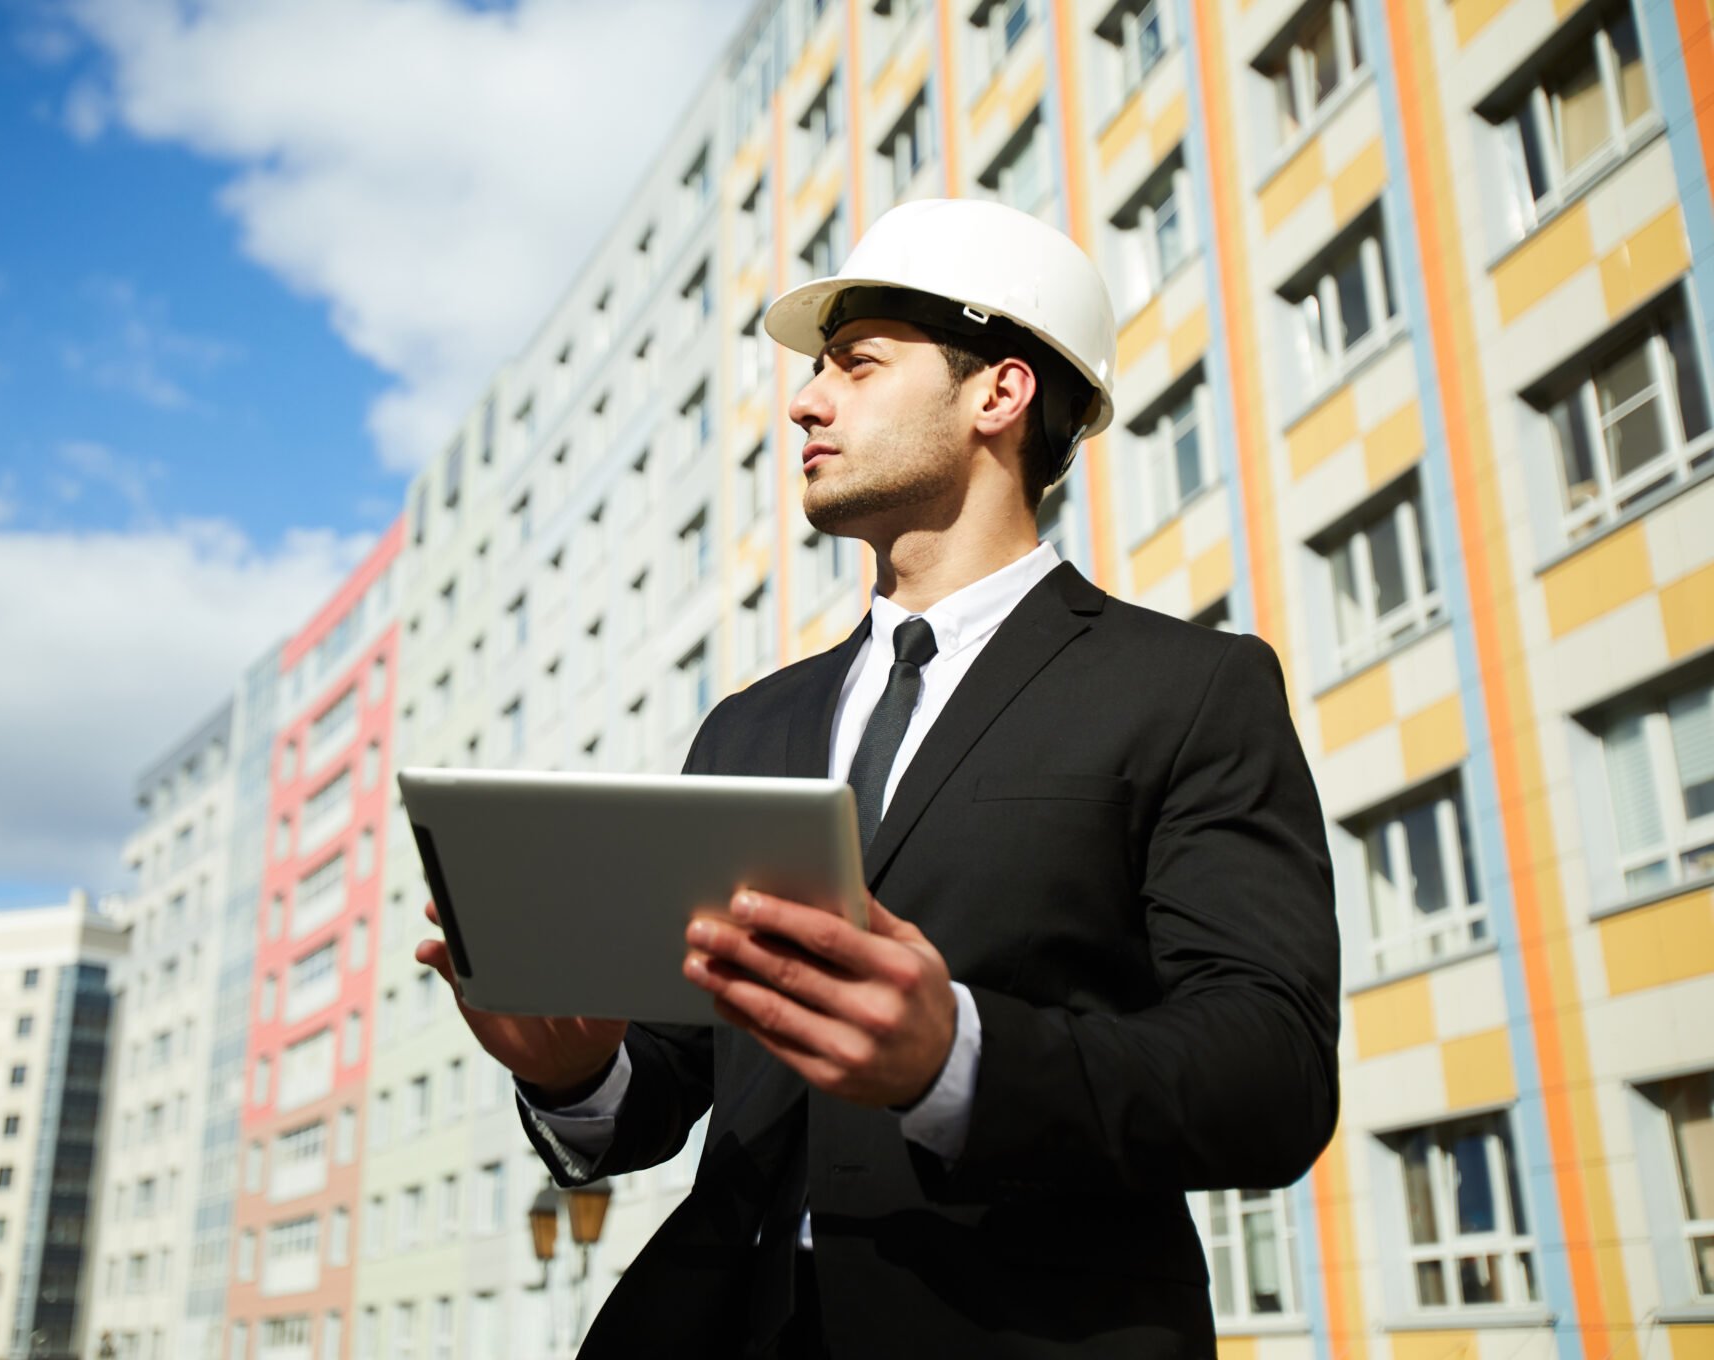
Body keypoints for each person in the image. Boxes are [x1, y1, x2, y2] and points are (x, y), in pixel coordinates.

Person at [415, 198, 1339, 1358]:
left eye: (857, 365)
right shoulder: (750, 727)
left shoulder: (1190, 689)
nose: (804, 400)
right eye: (816, 373)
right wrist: (573, 1073)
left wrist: (958, 1055)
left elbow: (1273, 1071)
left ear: (998, 394)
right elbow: (682, 1076)